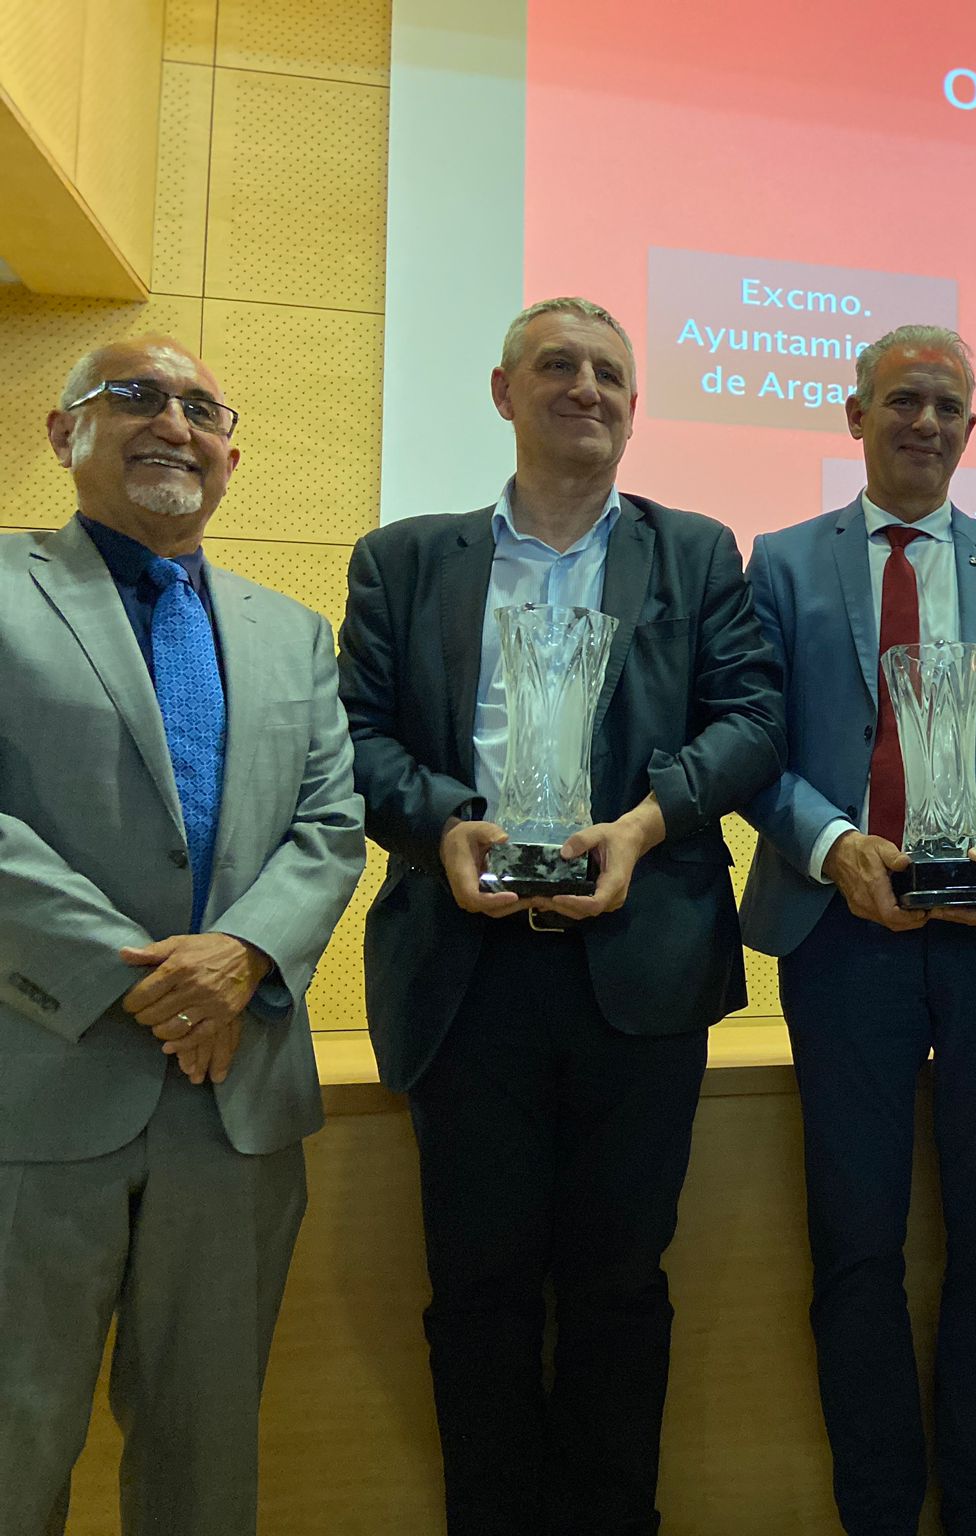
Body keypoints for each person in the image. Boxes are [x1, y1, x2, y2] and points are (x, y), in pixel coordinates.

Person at [337, 296, 784, 1536]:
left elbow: (749, 724)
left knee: (620, 1290)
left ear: (633, 409)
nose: (583, 387)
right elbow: (355, 741)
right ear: (503, 393)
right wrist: (442, 824)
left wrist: (642, 826)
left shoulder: (695, 552)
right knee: (475, 1293)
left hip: (640, 969)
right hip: (464, 968)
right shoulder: (404, 558)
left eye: (607, 373)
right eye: (556, 366)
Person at [739, 324, 976, 1536]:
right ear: (855, 417)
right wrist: (836, 848)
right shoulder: (783, 563)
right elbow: (754, 748)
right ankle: (879, 1511)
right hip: (844, 938)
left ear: (969, 427)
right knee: (855, 1248)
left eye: (948, 405)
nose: (926, 423)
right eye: (902, 400)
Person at [0, 337, 365, 1535]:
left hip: (236, 1103)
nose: (175, 422)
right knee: (15, 1442)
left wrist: (241, 958)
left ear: (232, 455)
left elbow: (328, 826)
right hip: (39, 1091)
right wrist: (146, 983)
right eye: (136, 396)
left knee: (206, 1468)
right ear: (64, 435)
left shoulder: (294, 635)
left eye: (202, 407)